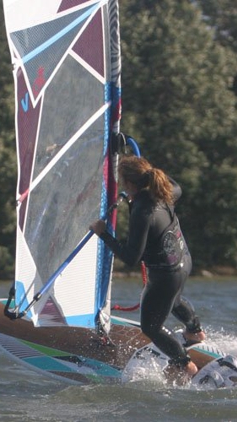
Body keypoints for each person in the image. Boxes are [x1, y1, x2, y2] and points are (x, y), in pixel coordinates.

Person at [90, 156, 206, 381]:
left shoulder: (143, 212)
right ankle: (195, 331)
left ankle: (184, 364)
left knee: (151, 327)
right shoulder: (165, 190)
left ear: (130, 185)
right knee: (174, 301)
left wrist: (103, 233)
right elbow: (177, 186)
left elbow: (132, 257)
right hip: (183, 261)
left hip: (165, 276)